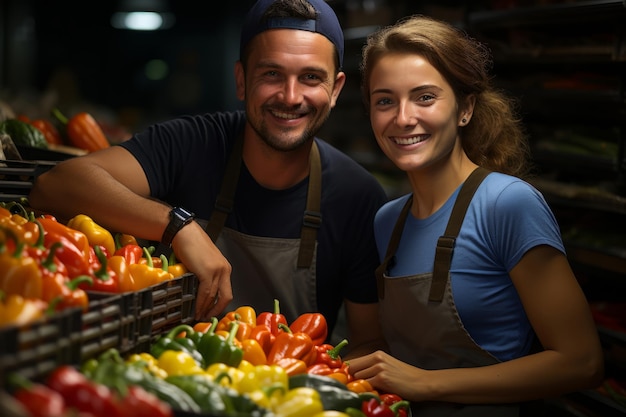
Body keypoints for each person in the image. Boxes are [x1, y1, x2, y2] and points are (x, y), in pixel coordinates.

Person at [28, 0, 388, 351]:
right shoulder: (191, 143)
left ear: (336, 89)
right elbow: (54, 186)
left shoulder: (358, 197)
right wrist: (178, 227)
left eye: (310, 77)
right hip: (174, 373)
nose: (290, 96)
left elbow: (368, 343)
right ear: (242, 80)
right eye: (271, 74)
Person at [346, 15, 604, 416]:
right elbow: (389, 357)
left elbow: (582, 362)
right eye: (385, 100)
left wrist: (426, 383)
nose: (402, 117)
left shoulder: (508, 204)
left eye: (425, 97)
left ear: (465, 108)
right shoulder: (387, 221)